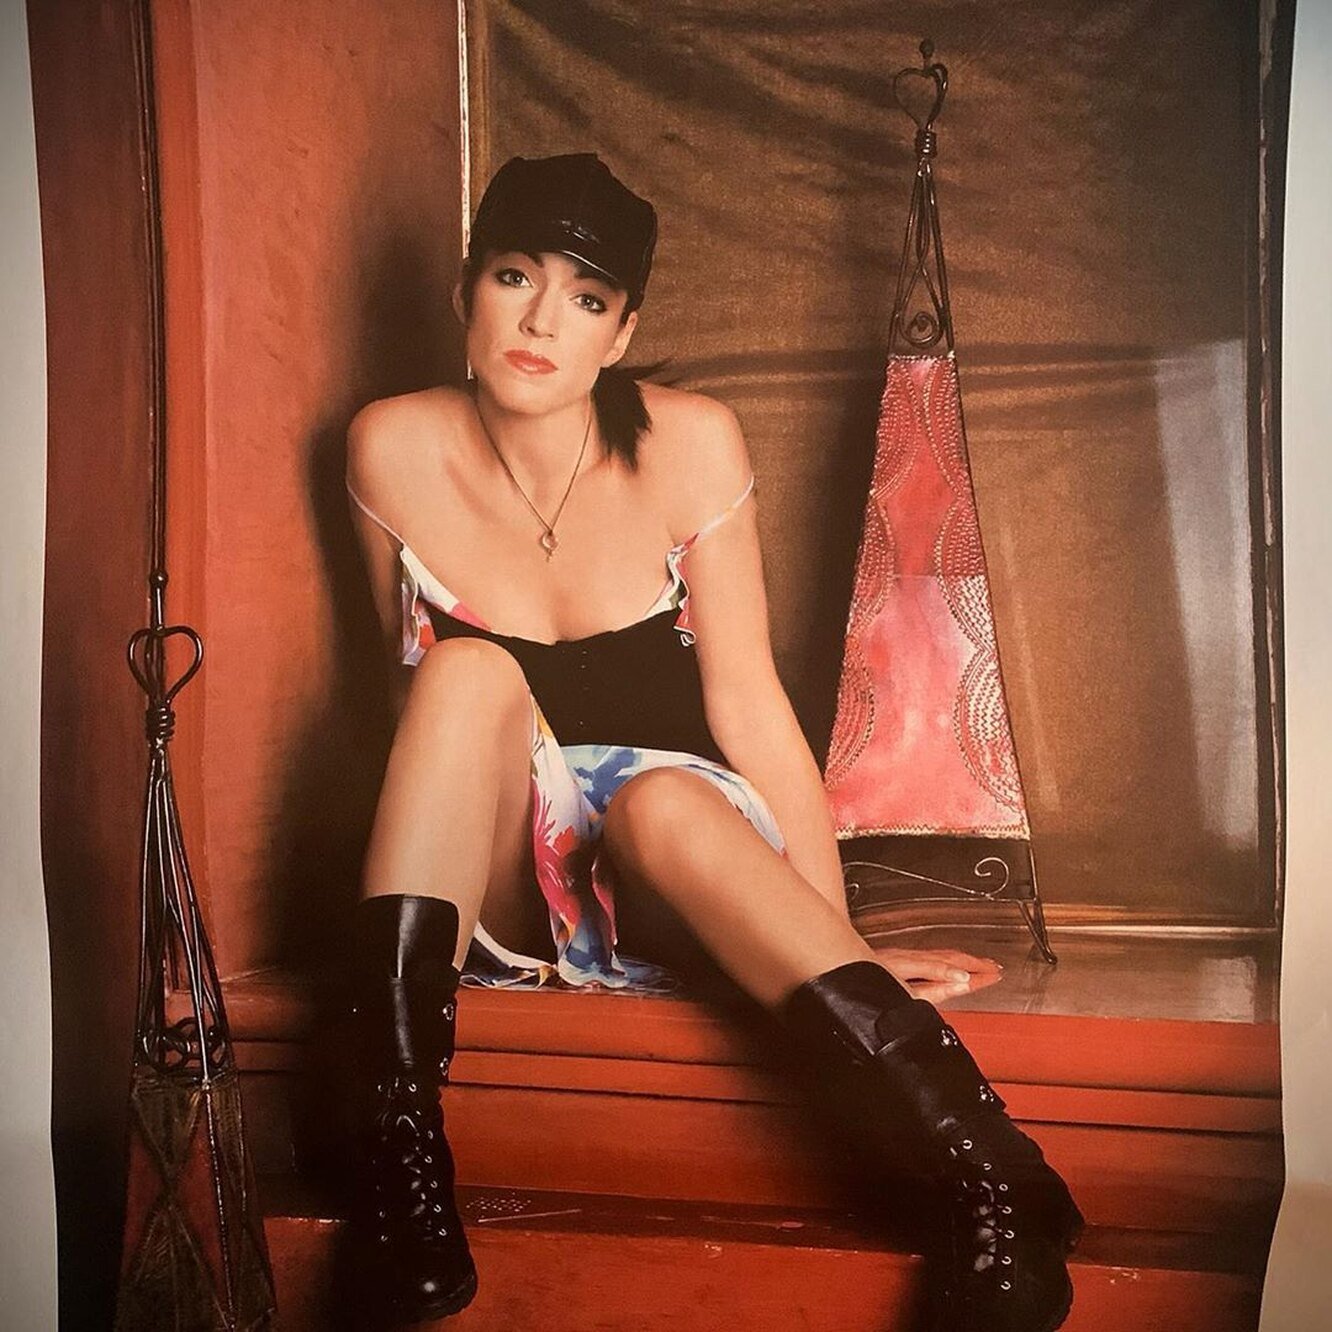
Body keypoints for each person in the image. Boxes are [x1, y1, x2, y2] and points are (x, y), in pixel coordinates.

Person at [340, 153, 1082, 1331]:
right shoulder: (390, 446)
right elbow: (407, 719)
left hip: (676, 859)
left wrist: (830, 934)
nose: (541, 321)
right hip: (507, 870)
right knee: (463, 671)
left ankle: (992, 1177)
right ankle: (397, 1161)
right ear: (464, 291)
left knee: (660, 803)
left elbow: (750, 707)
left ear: (622, 333)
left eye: (586, 297)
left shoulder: (692, 444)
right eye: (515, 277)